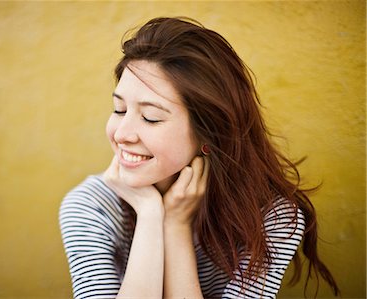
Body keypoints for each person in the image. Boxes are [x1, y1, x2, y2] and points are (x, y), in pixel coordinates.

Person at [59, 17, 340, 298]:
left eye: (150, 117)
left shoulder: (271, 218)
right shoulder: (91, 206)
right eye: (119, 109)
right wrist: (149, 213)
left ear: (209, 132)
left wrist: (176, 226)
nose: (122, 134)